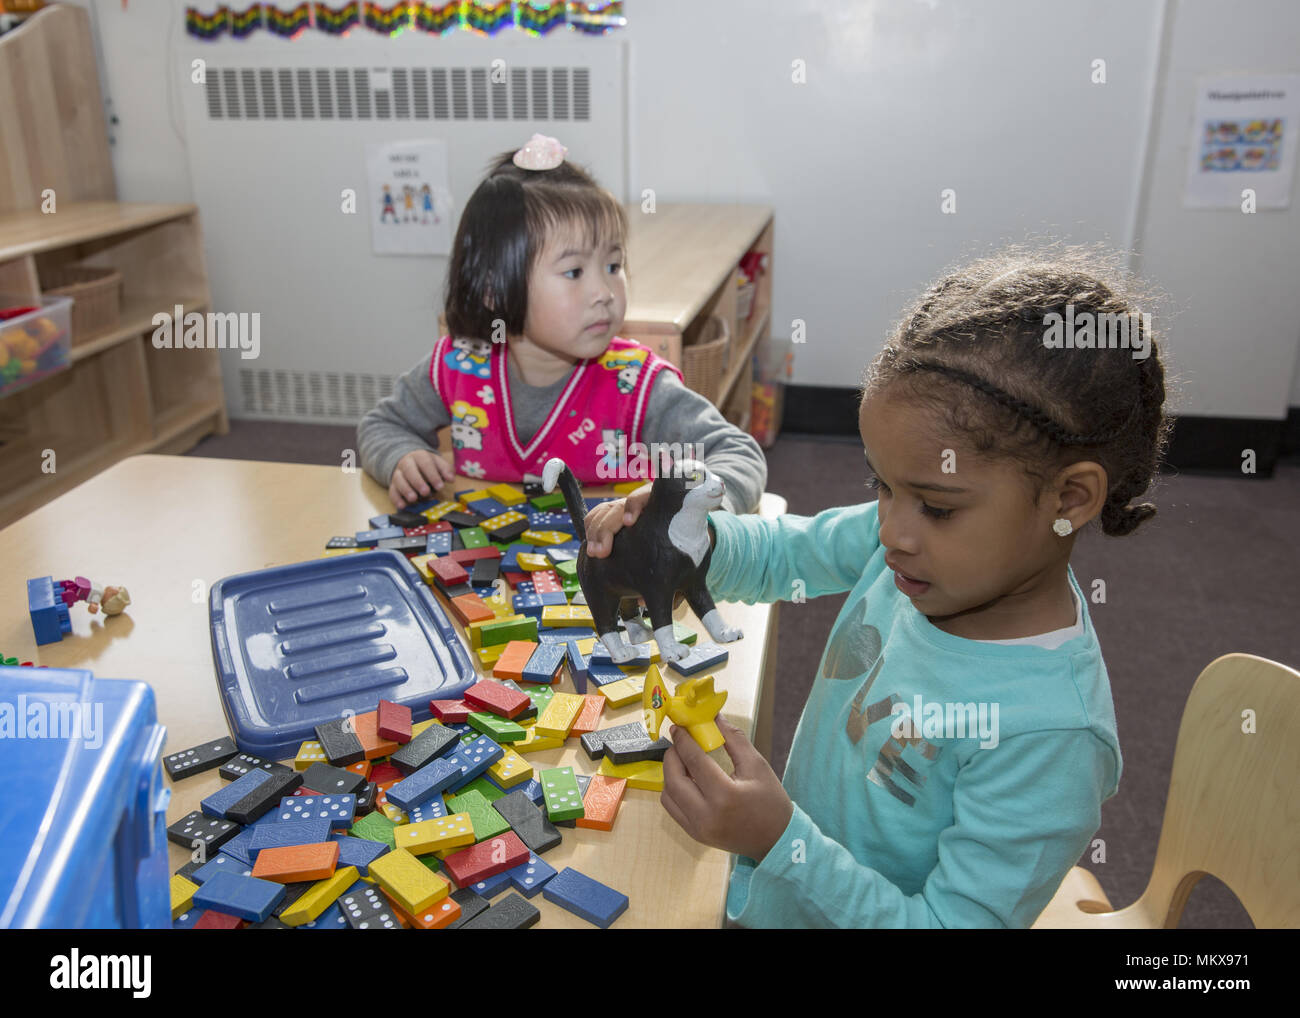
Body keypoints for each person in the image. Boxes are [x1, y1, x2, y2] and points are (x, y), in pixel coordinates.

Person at [585, 245, 1174, 927]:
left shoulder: (1050, 735)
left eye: (937, 505)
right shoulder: (924, 552)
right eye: (881, 486)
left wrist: (780, 842)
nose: (891, 528)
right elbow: (788, 553)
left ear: (1070, 498)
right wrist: (690, 542)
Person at [358, 134, 766, 514]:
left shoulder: (635, 385)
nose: (604, 291)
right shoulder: (457, 365)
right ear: (495, 289)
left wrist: (698, 508)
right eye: (574, 272)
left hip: (607, 582)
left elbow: (738, 454)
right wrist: (400, 457)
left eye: (613, 265)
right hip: (491, 579)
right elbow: (382, 425)